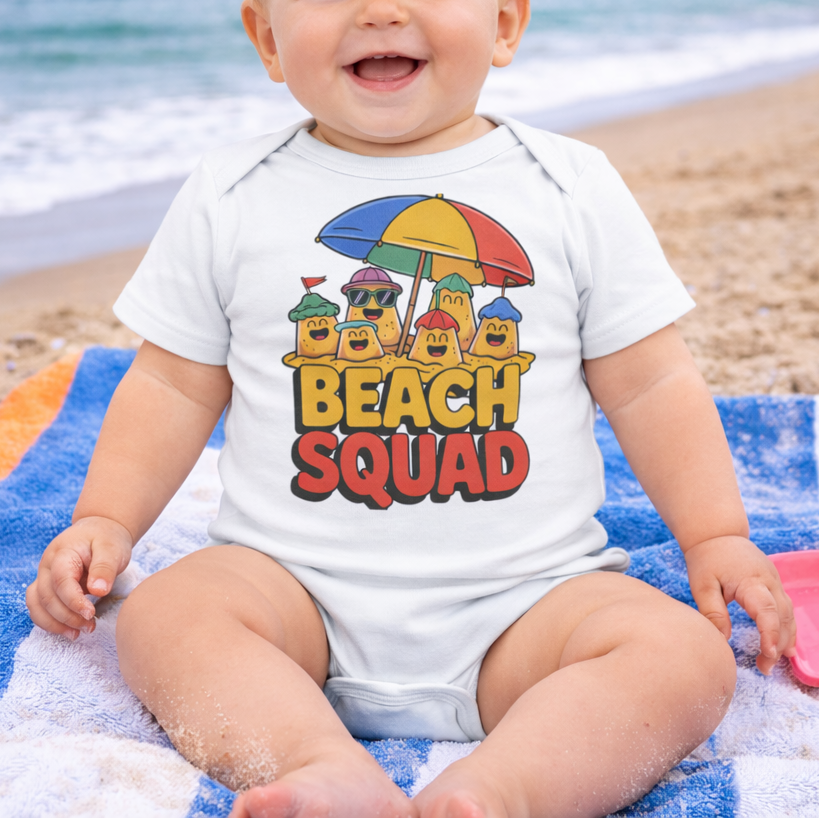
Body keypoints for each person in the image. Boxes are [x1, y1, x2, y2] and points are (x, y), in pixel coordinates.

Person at [26, 1, 795, 816]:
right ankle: (316, 763)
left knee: (682, 657)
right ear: (267, 38)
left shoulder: (568, 185)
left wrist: (713, 534)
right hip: (292, 595)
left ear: (504, 24)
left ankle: (499, 789)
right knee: (163, 616)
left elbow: (649, 383)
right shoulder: (232, 192)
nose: (381, 11)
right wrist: (107, 519)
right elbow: (171, 385)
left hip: (526, 604)